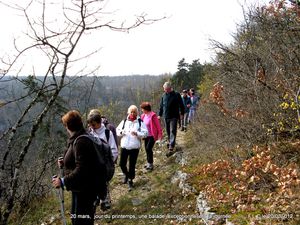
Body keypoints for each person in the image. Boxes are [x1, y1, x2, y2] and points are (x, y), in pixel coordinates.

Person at [52, 110, 106, 225]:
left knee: (80, 221)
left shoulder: (81, 141)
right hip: (81, 189)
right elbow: (79, 162)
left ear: (69, 126)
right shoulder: (80, 137)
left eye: (65, 125)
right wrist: (65, 163)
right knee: (78, 219)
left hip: (85, 190)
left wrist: (62, 181)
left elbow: (82, 170)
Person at [87, 110, 118, 210]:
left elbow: (114, 150)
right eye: (90, 124)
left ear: (99, 122)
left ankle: (104, 200)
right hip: (92, 165)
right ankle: (96, 197)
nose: (91, 126)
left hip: (104, 165)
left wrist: (109, 163)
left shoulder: (107, 133)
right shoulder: (89, 134)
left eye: (93, 124)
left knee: (104, 183)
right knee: (93, 183)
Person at [116, 105, 148, 191]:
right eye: (131, 112)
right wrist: (122, 132)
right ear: (128, 112)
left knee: (132, 165)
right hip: (124, 146)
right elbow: (117, 131)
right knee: (122, 164)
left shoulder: (140, 122)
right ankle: (126, 174)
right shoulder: (124, 121)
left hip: (134, 147)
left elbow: (146, 133)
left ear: (137, 113)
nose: (133, 113)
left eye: (134, 112)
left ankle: (130, 180)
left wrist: (137, 133)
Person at [158, 82, 185, 157]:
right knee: (168, 131)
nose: (164, 90)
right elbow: (161, 106)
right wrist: (159, 115)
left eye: (165, 89)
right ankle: (170, 141)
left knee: (173, 130)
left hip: (174, 116)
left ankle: (171, 146)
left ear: (169, 88)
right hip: (166, 116)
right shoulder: (163, 95)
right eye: (164, 89)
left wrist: (182, 113)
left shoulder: (176, 94)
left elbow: (181, 105)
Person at [140, 102, 163, 171]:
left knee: (148, 148)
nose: (142, 110)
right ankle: (148, 162)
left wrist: (160, 134)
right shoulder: (143, 116)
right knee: (146, 149)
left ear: (146, 109)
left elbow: (158, 126)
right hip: (146, 136)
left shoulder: (153, 115)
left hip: (152, 135)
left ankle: (151, 164)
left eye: (142, 109)